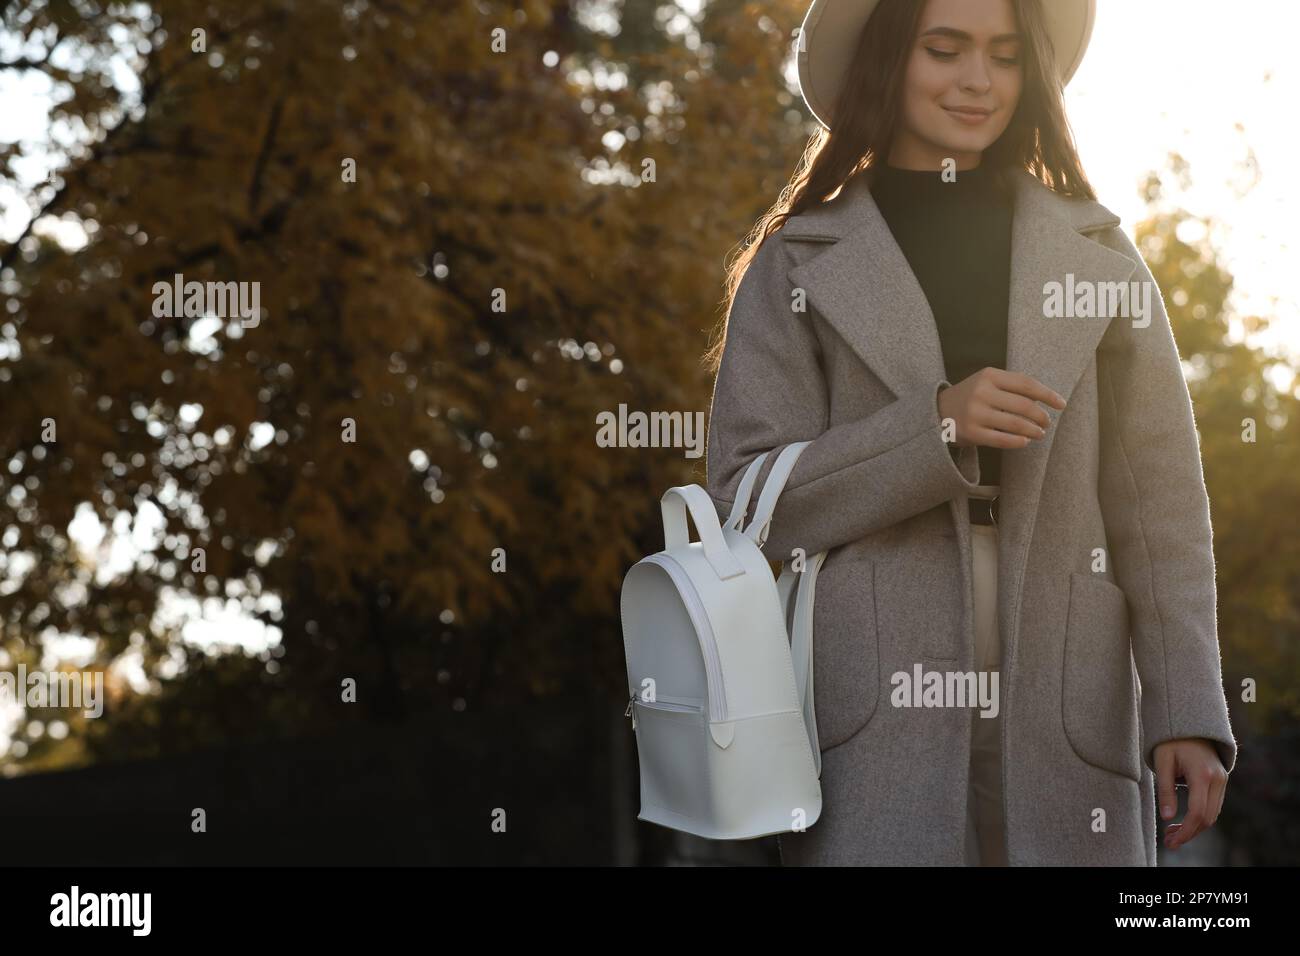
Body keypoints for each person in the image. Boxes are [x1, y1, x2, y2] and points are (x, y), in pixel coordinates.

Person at [703, 0, 1236, 865]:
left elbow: (1163, 505)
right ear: (887, 62)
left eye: (1003, 54)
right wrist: (933, 431)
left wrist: (1186, 709)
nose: (978, 81)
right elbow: (747, 505)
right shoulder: (795, 259)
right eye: (944, 50)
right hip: (868, 694)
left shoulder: (1098, 249)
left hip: (1074, 679)